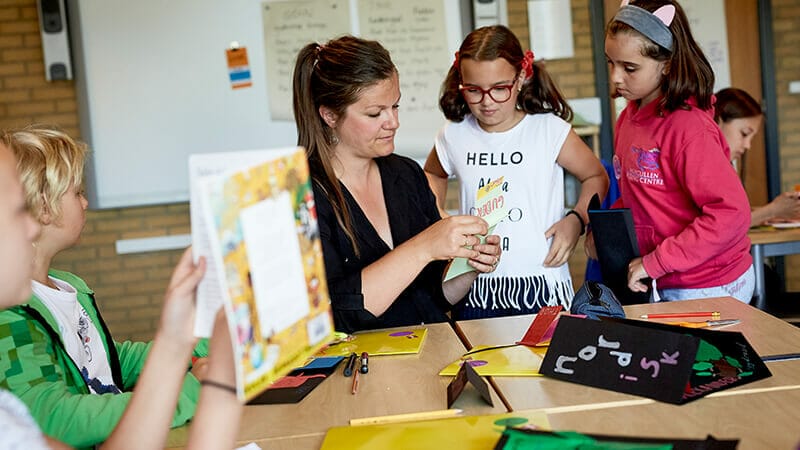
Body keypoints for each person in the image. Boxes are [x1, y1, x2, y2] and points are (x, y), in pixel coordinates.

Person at [0, 125, 238, 449]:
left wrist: (203, 345)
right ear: (44, 207)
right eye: (77, 192)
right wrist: (186, 391)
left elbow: (110, 363)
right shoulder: (11, 318)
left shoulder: (70, 287)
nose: (85, 203)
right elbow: (57, 418)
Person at [292, 36, 502, 333]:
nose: (393, 122)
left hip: (432, 354)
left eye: (395, 106)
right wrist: (425, 246)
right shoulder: (302, 197)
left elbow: (432, 294)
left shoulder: (405, 174)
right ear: (329, 115)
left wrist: (468, 266)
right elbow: (334, 315)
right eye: (375, 113)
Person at [424, 25, 609, 319]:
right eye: (473, 90)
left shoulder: (548, 130)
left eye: (500, 89)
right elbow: (433, 175)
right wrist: (438, 218)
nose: (486, 102)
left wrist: (575, 220)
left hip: (541, 285)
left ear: (521, 77)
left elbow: (596, 176)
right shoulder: (453, 134)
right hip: (474, 286)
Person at [601, 0, 754, 302]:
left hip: (709, 283)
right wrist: (607, 236)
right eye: (611, 62)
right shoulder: (627, 119)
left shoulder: (689, 128)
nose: (616, 78)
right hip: (664, 278)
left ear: (668, 63)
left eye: (629, 67)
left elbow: (731, 214)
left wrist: (656, 261)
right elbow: (639, 198)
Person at [714, 87, 800, 227]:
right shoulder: (703, 167)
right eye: (744, 133)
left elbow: (733, 214)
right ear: (718, 121)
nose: (748, 145)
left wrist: (778, 212)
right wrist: (772, 210)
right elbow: (724, 226)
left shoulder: (724, 167)